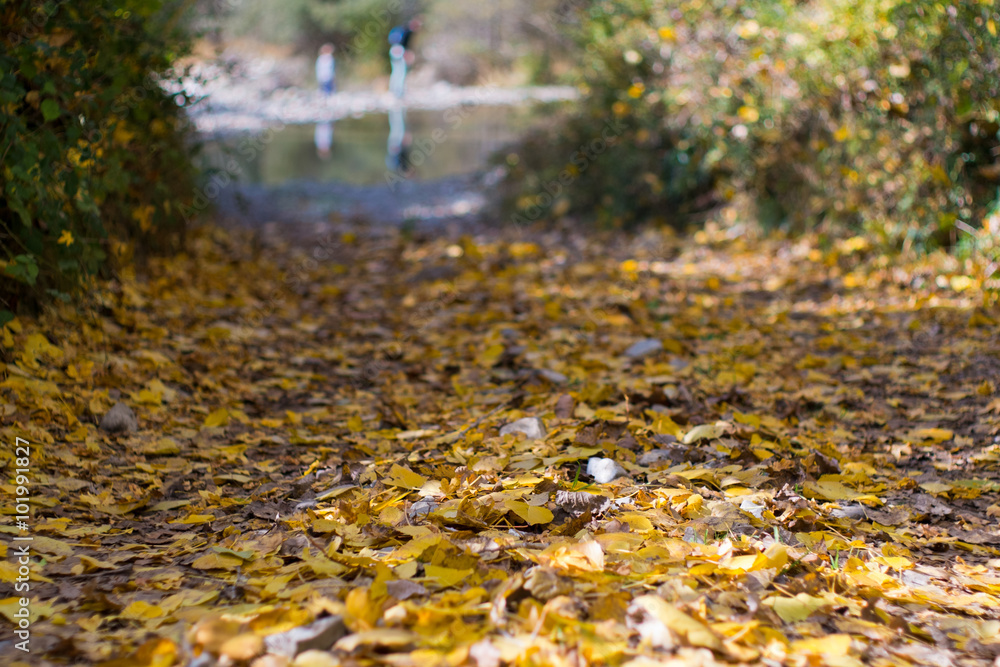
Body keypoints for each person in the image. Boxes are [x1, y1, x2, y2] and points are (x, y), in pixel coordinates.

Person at [387, 18, 420, 98]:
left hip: (393, 50)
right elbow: (404, 44)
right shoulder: (407, 32)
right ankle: (398, 92)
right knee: (401, 71)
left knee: (396, 70)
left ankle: (393, 90)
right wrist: (406, 53)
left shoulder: (401, 29)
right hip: (399, 51)